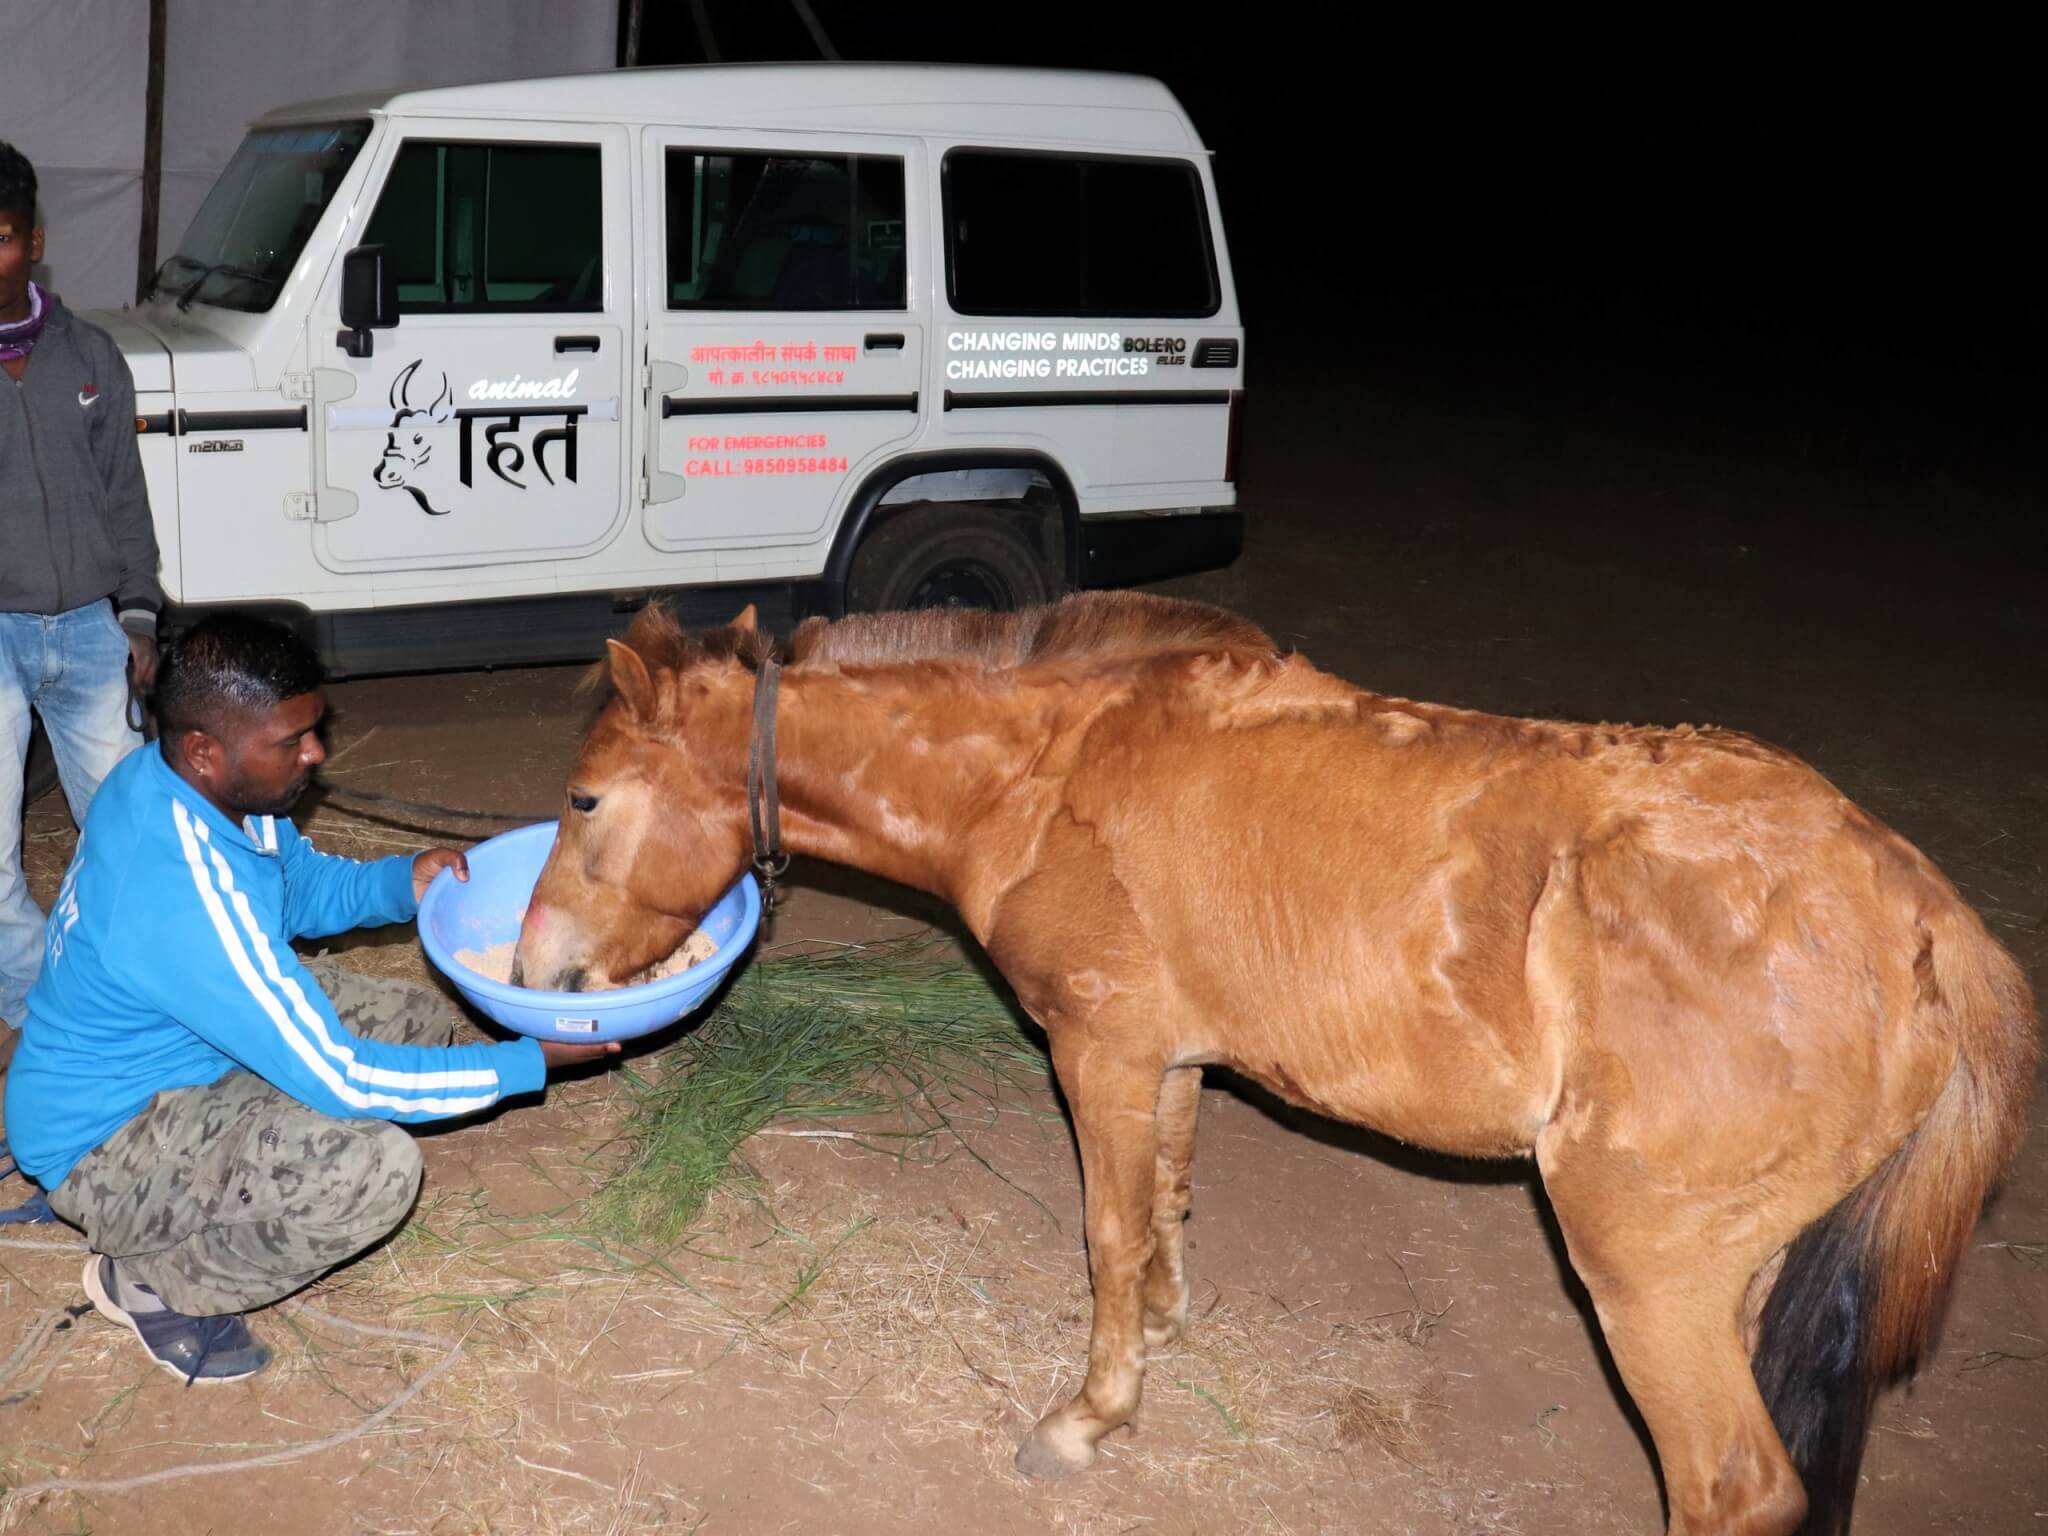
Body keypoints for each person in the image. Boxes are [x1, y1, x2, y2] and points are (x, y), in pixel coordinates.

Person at [0, 614, 618, 1381]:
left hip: (183, 1048)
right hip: (110, 1136)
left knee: (420, 1022)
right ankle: (153, 1281)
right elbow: (344, 1078)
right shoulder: (181, 896)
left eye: (313, 729)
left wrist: (399, 883)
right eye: (291, 740)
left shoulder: (198, 789)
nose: (316, 753)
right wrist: (527, 1064)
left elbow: (290, 886)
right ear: (204, 750)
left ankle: (268, 1129)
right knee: (373, 1171)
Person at [1, 140, 163, 1075]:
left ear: (35, 242)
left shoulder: (91, 354)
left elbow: (126, 498)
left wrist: (138, 616)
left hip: (95, 637)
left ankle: (121, 993)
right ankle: (38, 1012)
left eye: (5, 238)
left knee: (129, 837)